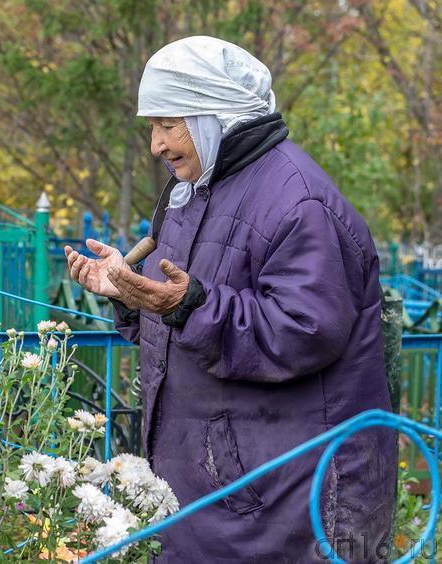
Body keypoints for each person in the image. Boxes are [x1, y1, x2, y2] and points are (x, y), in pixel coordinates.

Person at [64, 36, 396, 562]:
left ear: (215, 117)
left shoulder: (297, 200)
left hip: (284, 501)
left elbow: (303, 332)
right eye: (153, 127)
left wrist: (186, 306)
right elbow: (181, 310)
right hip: (218, 493)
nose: (156, 145)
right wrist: (130, 294)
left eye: (168, 125)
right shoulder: (198, 190)